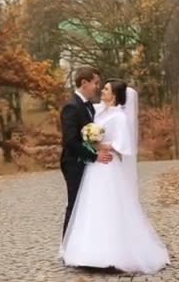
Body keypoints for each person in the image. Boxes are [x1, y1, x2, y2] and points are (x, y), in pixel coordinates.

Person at [60, 78, 170, 274]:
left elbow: (124, 145)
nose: (102, 90)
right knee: (92, 206)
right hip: (95, 166)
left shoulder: (119, 116)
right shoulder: (99, 111)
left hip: (108, 165)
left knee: (110, 206)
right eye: (102, 87)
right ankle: (88, 252)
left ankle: (114, 253)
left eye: (106, 89)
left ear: (115, 95)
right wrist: (92, 143)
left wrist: (102, 145)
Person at [59, 66, 113, 238]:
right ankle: (66, 246)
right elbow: (70, 141)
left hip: (86, 162)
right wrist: (94, 156)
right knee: (74, 203)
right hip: (74, 162)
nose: (97, 87)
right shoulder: (71, 107)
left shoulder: (89, 105)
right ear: (84, 83)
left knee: (85, 204)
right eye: (95, 83)